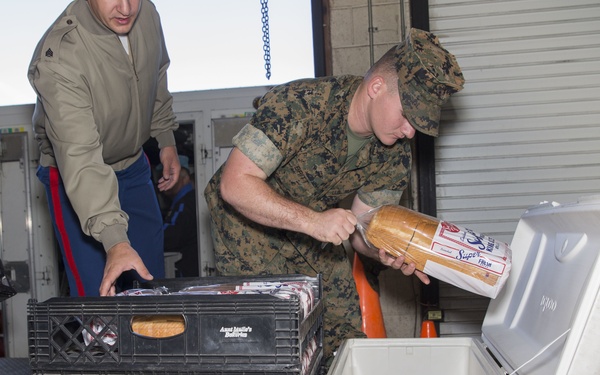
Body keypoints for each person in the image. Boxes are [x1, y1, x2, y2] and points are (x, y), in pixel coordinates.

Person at [204, 28, 464, 366]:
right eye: (407, 116)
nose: (410, 131)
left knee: (343, 336)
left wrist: (385, 251)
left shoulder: (394, 153)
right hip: (248, 220)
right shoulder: (302, 104)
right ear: (376, 87)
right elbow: (235, 184)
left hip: (316, 228)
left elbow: (361, 233)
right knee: (271, 336)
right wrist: (313, 221)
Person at [28, 0, 180, 297]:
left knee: (151, 285)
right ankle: (101, 344)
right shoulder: (59, 57)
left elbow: (157, 73)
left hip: (133, 165)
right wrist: (115, 240)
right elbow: (81, 157)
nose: (126, 8)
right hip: (75, 175)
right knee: (98, 298)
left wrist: (165, 138)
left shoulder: (147, 13)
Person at [162, 166, 199, 277]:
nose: (166, 181)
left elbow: (171, 236)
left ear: (185, 178)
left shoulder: (185, 203)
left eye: (172, 177)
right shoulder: (189, 199)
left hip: (189, 267)